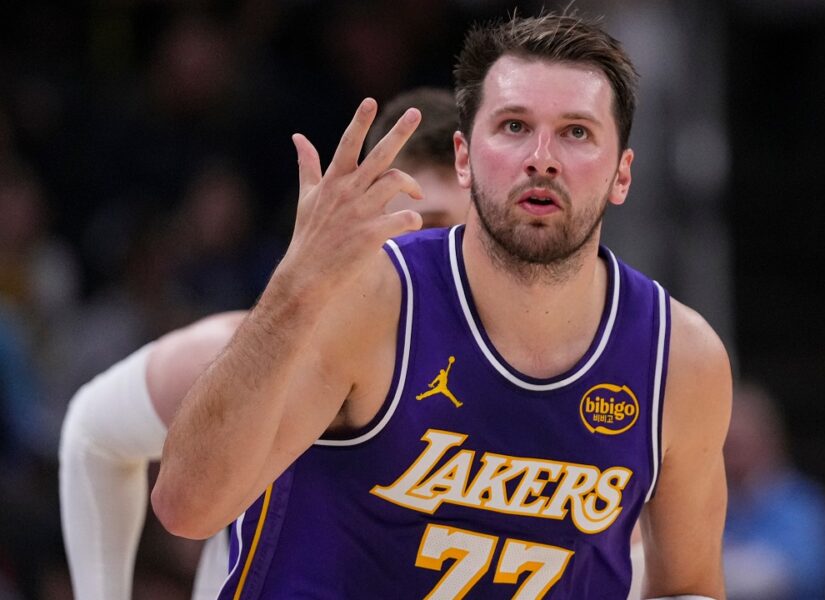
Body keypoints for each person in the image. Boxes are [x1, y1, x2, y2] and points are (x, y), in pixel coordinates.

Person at [152, 11, 731, 600]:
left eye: (577, 132)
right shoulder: (367, 297)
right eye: (512, 126)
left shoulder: (680, 358)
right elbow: (184, 506)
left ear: (621, 175)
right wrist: (292, 289)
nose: (542, 158)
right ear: (463, 158)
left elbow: (690, 588)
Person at [58, 86, 469, 600]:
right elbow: (93, 432)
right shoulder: (254, 360)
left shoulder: (519, 382)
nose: (431, 252)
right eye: (413, 226)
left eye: (453, 233)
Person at [722, 383, 825, 600]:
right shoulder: (711, 506)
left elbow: (809, 574)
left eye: (738, 444)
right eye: (726, 446)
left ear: (768, 440)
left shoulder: (804, 504)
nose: (732, 457)